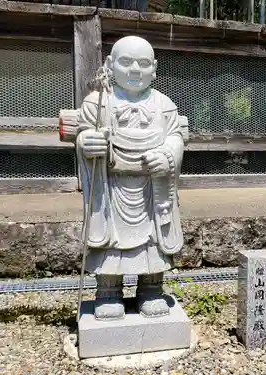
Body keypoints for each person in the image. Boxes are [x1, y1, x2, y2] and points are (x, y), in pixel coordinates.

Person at [76, 36, 184, 320]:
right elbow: (84, 132)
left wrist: (169, 156)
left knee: (153, 240)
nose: (135, 70)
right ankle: (108, 291)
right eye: (126, 62)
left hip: (152, 188)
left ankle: (151, 289)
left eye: (144, 63)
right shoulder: (97, 102)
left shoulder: (165, 105)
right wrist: (87, 142)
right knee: (110, 241)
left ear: (155, 68)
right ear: (110, 65)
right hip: (111, 189)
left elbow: (175, 137)